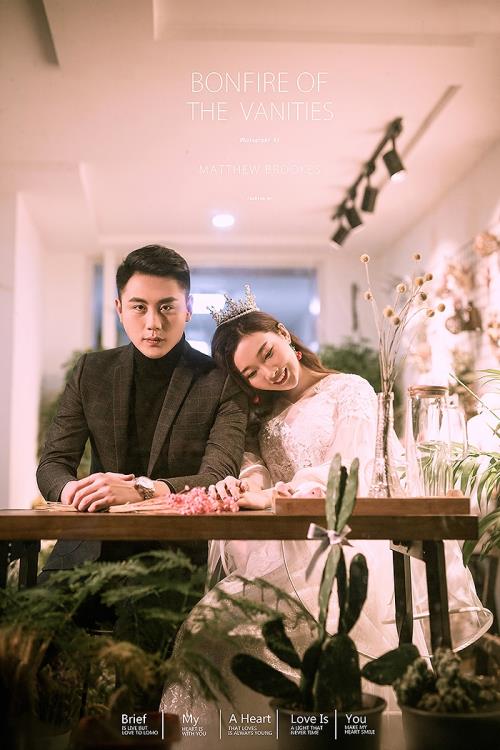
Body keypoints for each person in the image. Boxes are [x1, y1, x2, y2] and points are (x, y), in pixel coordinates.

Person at [161, 287, 492, 747]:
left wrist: (276, 494)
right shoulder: (263, 413)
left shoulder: (350, 390)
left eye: (267, 353)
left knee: (277, 636)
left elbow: (350, 468)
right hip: (283, 544)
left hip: (345, 543)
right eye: (251, 373)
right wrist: (251, 483)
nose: (268, 373)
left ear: (283, 333)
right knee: (209, 628)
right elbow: (252, 460)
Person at [36, 246, 248, 574]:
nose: (153, 323)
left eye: (167, 307)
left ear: (189, 308)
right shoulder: (91, 371)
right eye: (139, 307)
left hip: (179, 561)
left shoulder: (221, 380)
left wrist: (140, 491)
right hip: (88, 550)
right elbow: (53, 463)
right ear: (119, 309)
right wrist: (76, 492)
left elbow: (218, 478)